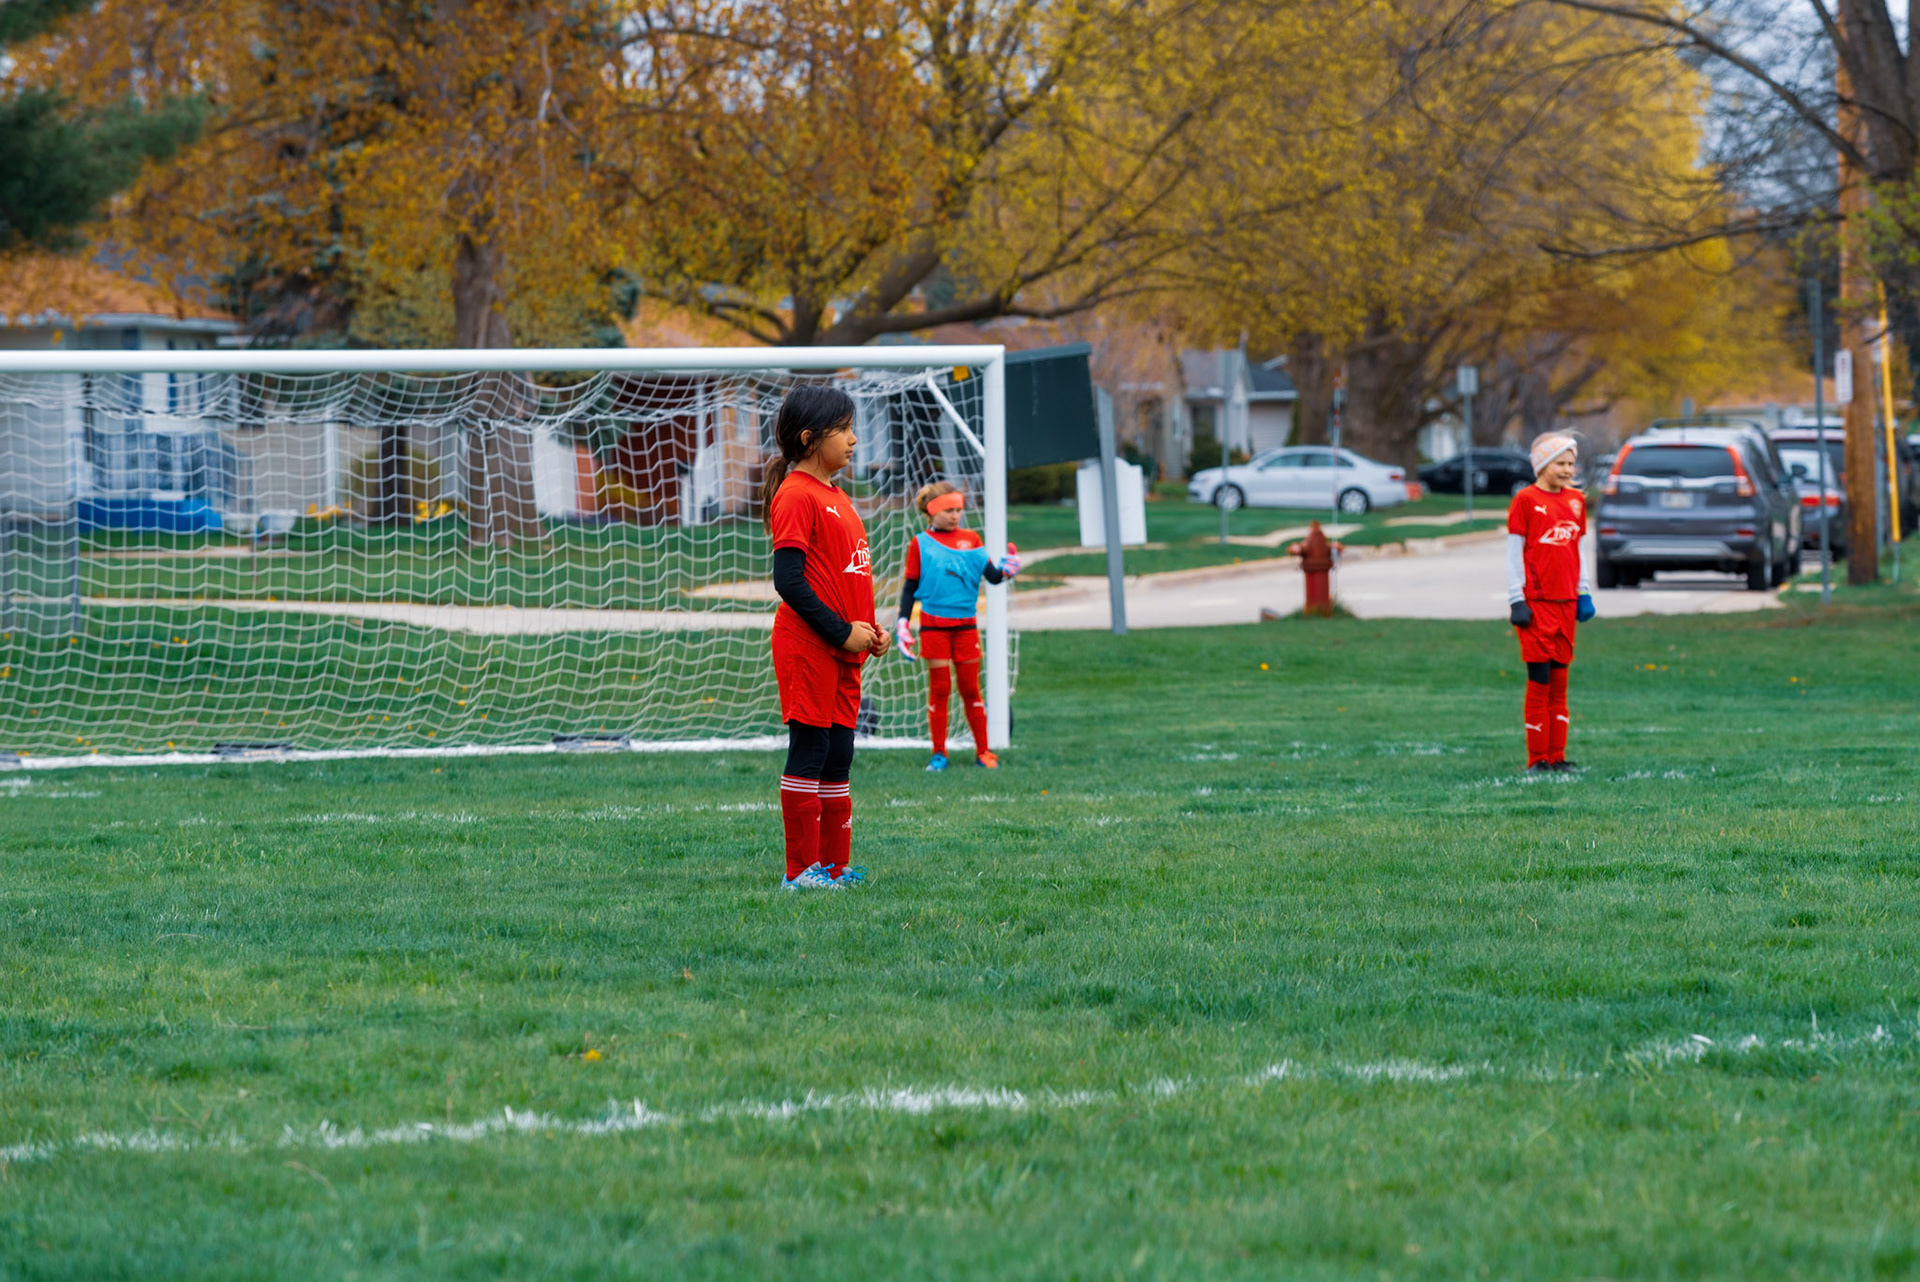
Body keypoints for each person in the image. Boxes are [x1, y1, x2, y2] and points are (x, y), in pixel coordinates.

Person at [763, 385, 889, 890]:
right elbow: (788, 581)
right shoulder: (796, 493)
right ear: (811, 438)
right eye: (846, 430)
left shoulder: (838, 497)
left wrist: (870, 632)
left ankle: (835, 868)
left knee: (840, 754)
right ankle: (800, 873)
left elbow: (843, 575)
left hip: (843, 650)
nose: (856, 440)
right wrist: (841, 631)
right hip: (809, 646)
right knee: (811, 749)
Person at [895, 482, 1020, 770]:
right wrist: (903, 621)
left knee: (970, 690)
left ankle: (983, 752)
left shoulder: (972, 539)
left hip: (965, 627)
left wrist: (1007, 570)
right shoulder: (920, 543)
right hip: (934, 627)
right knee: (939, 689)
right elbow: (910, 586)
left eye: (958, 509)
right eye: (949, 509)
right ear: (932, 511)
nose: (955, 515)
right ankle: (939, 753)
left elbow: (993, 575)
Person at [1507, 433, 1596, 773]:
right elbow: (1513, 553)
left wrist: (1583, 592)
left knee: (1560, 683)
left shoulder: (1576, 501)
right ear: (1543, 464)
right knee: (1540, 681)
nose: (1567, 469)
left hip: (1566, 604)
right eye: (1560, 463)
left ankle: (1557, 756)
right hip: (1536, 604)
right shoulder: (1526, 500)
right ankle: (1537, 759)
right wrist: (1517, 598)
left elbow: (1578, 551)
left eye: (1571, 464)